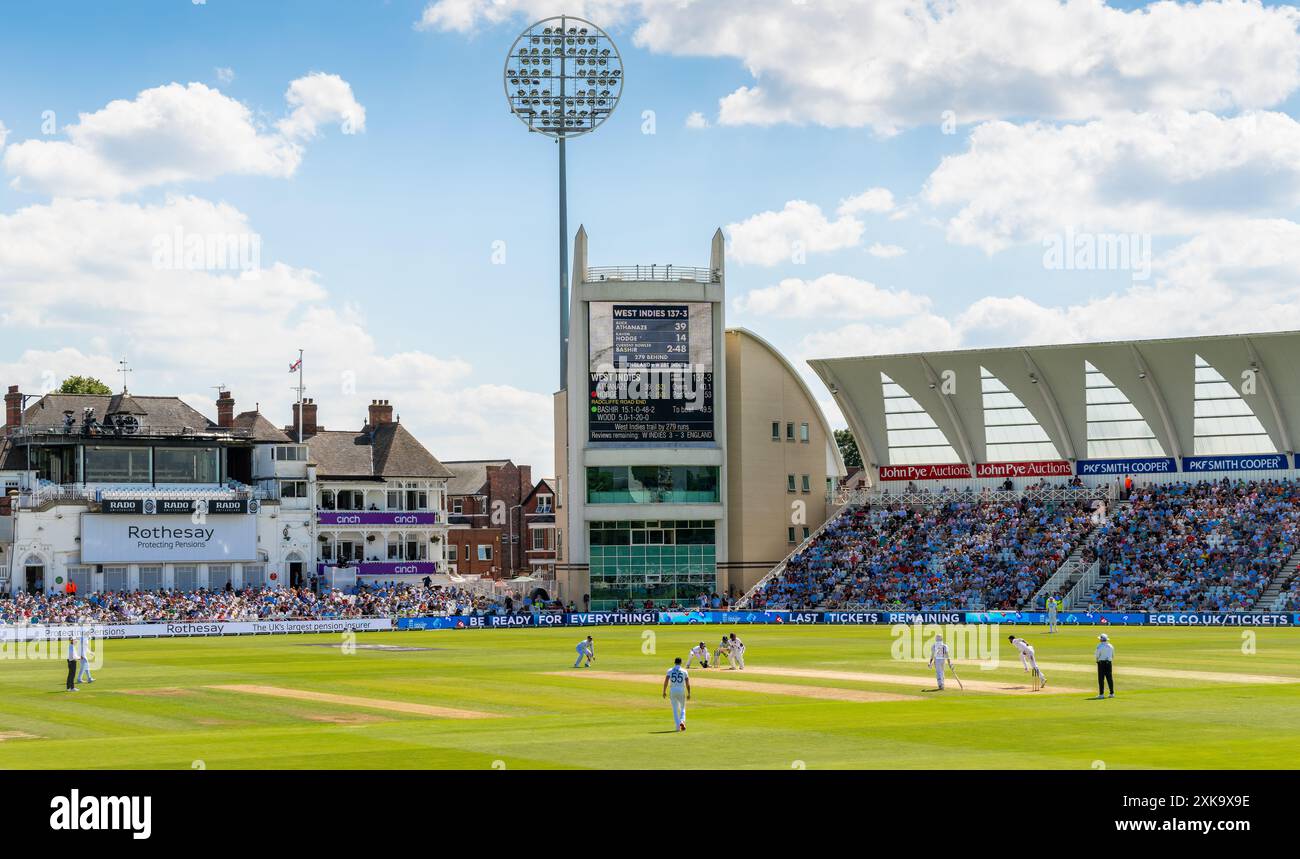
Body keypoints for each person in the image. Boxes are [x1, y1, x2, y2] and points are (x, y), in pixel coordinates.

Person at [662, 657, 691, 732]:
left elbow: (666, 682)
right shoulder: (684, 671)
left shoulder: (670, 670)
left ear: (674, 662)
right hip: (681, 690)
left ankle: (678, 727)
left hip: (673, 690)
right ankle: (682, 721)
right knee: (682, 708)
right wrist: (689, 693)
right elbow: (688, 684)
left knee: (675, 709)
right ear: (681, 663)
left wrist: (664, 691)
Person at [1095, 633, 1115, 698]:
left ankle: (1101, 694)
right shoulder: (1111, 646)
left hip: (1101, 663)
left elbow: (1097, 655)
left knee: (1101, 679)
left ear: (1101, 639)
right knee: (1110, 678)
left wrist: (1097, 660)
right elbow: (1112, 655)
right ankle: (1112, 693)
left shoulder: (1099, 646)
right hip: (1109, 663)